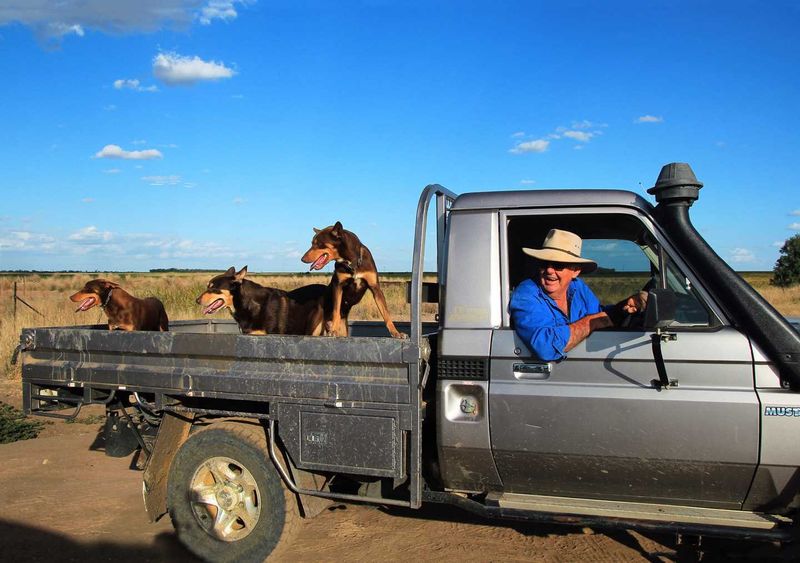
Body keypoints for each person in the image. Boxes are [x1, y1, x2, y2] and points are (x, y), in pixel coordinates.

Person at [509, 229, 647, 362]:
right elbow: (546, 347)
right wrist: (591, 323)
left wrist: (624, 307)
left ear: (575, 271)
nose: (549, 270)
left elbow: (598, 314)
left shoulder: (578, 287)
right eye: (544, 264)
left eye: (558, 265)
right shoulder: (526, 294)